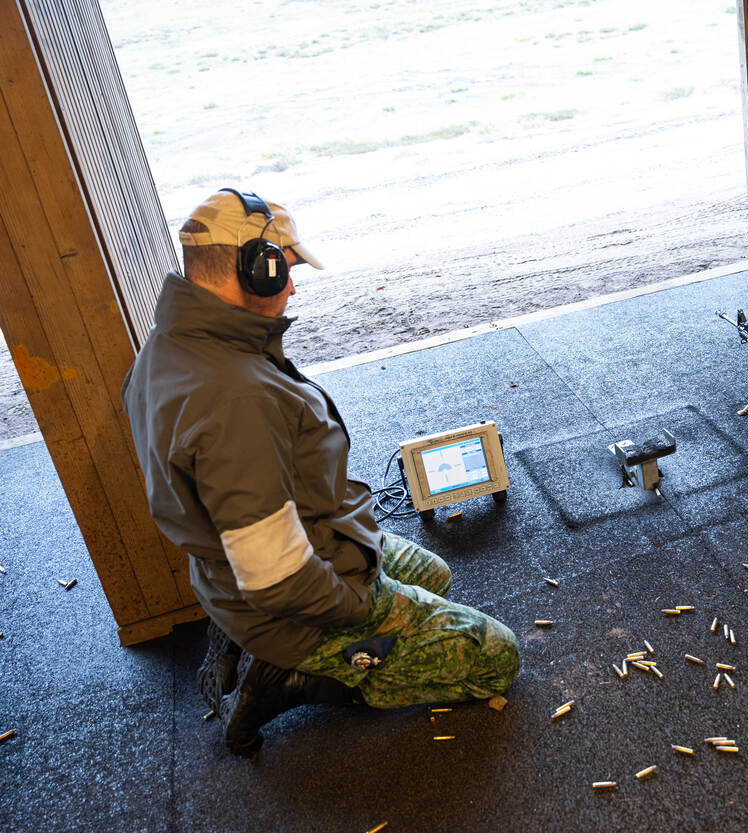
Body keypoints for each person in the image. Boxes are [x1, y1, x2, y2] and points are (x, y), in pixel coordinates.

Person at [122, 188, 519, 757]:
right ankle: (294, 679)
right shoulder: (237, 400)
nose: (292, 286)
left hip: (276, 553)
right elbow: (278, 578)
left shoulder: (176, 344)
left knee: (433, 574)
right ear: (256, 269)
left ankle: (272, 643)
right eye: (286, 269)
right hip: (287, 596)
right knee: (498, 658)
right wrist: (361, 604)